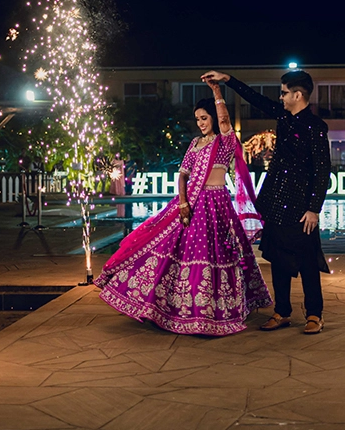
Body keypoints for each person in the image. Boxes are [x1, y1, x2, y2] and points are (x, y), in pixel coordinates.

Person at [94, 83, 272, 335]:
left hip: (218, 205)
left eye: (204, 117)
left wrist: (217, 92)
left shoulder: (225, 141)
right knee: (183, 253)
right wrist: (183, 202)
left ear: (214, 116)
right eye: (197, 119)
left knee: (218, 255)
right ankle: (179, 309)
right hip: (193, 205)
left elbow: (224, 121)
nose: (200, 123)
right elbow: (183, 175)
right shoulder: (195, 144)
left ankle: (216, 310)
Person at [201, 69, 331, 334]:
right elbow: (255, 99)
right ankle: (282, 312)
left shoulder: (316, 127)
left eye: (284, 93)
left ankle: (315, 315)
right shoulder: (283, 117)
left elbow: (322, 170)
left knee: (307, 262)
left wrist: (314, 208)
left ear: (298, 94)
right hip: (274, 201)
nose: (280, 97)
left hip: (300, 206)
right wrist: (227, 80)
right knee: (278, 260)